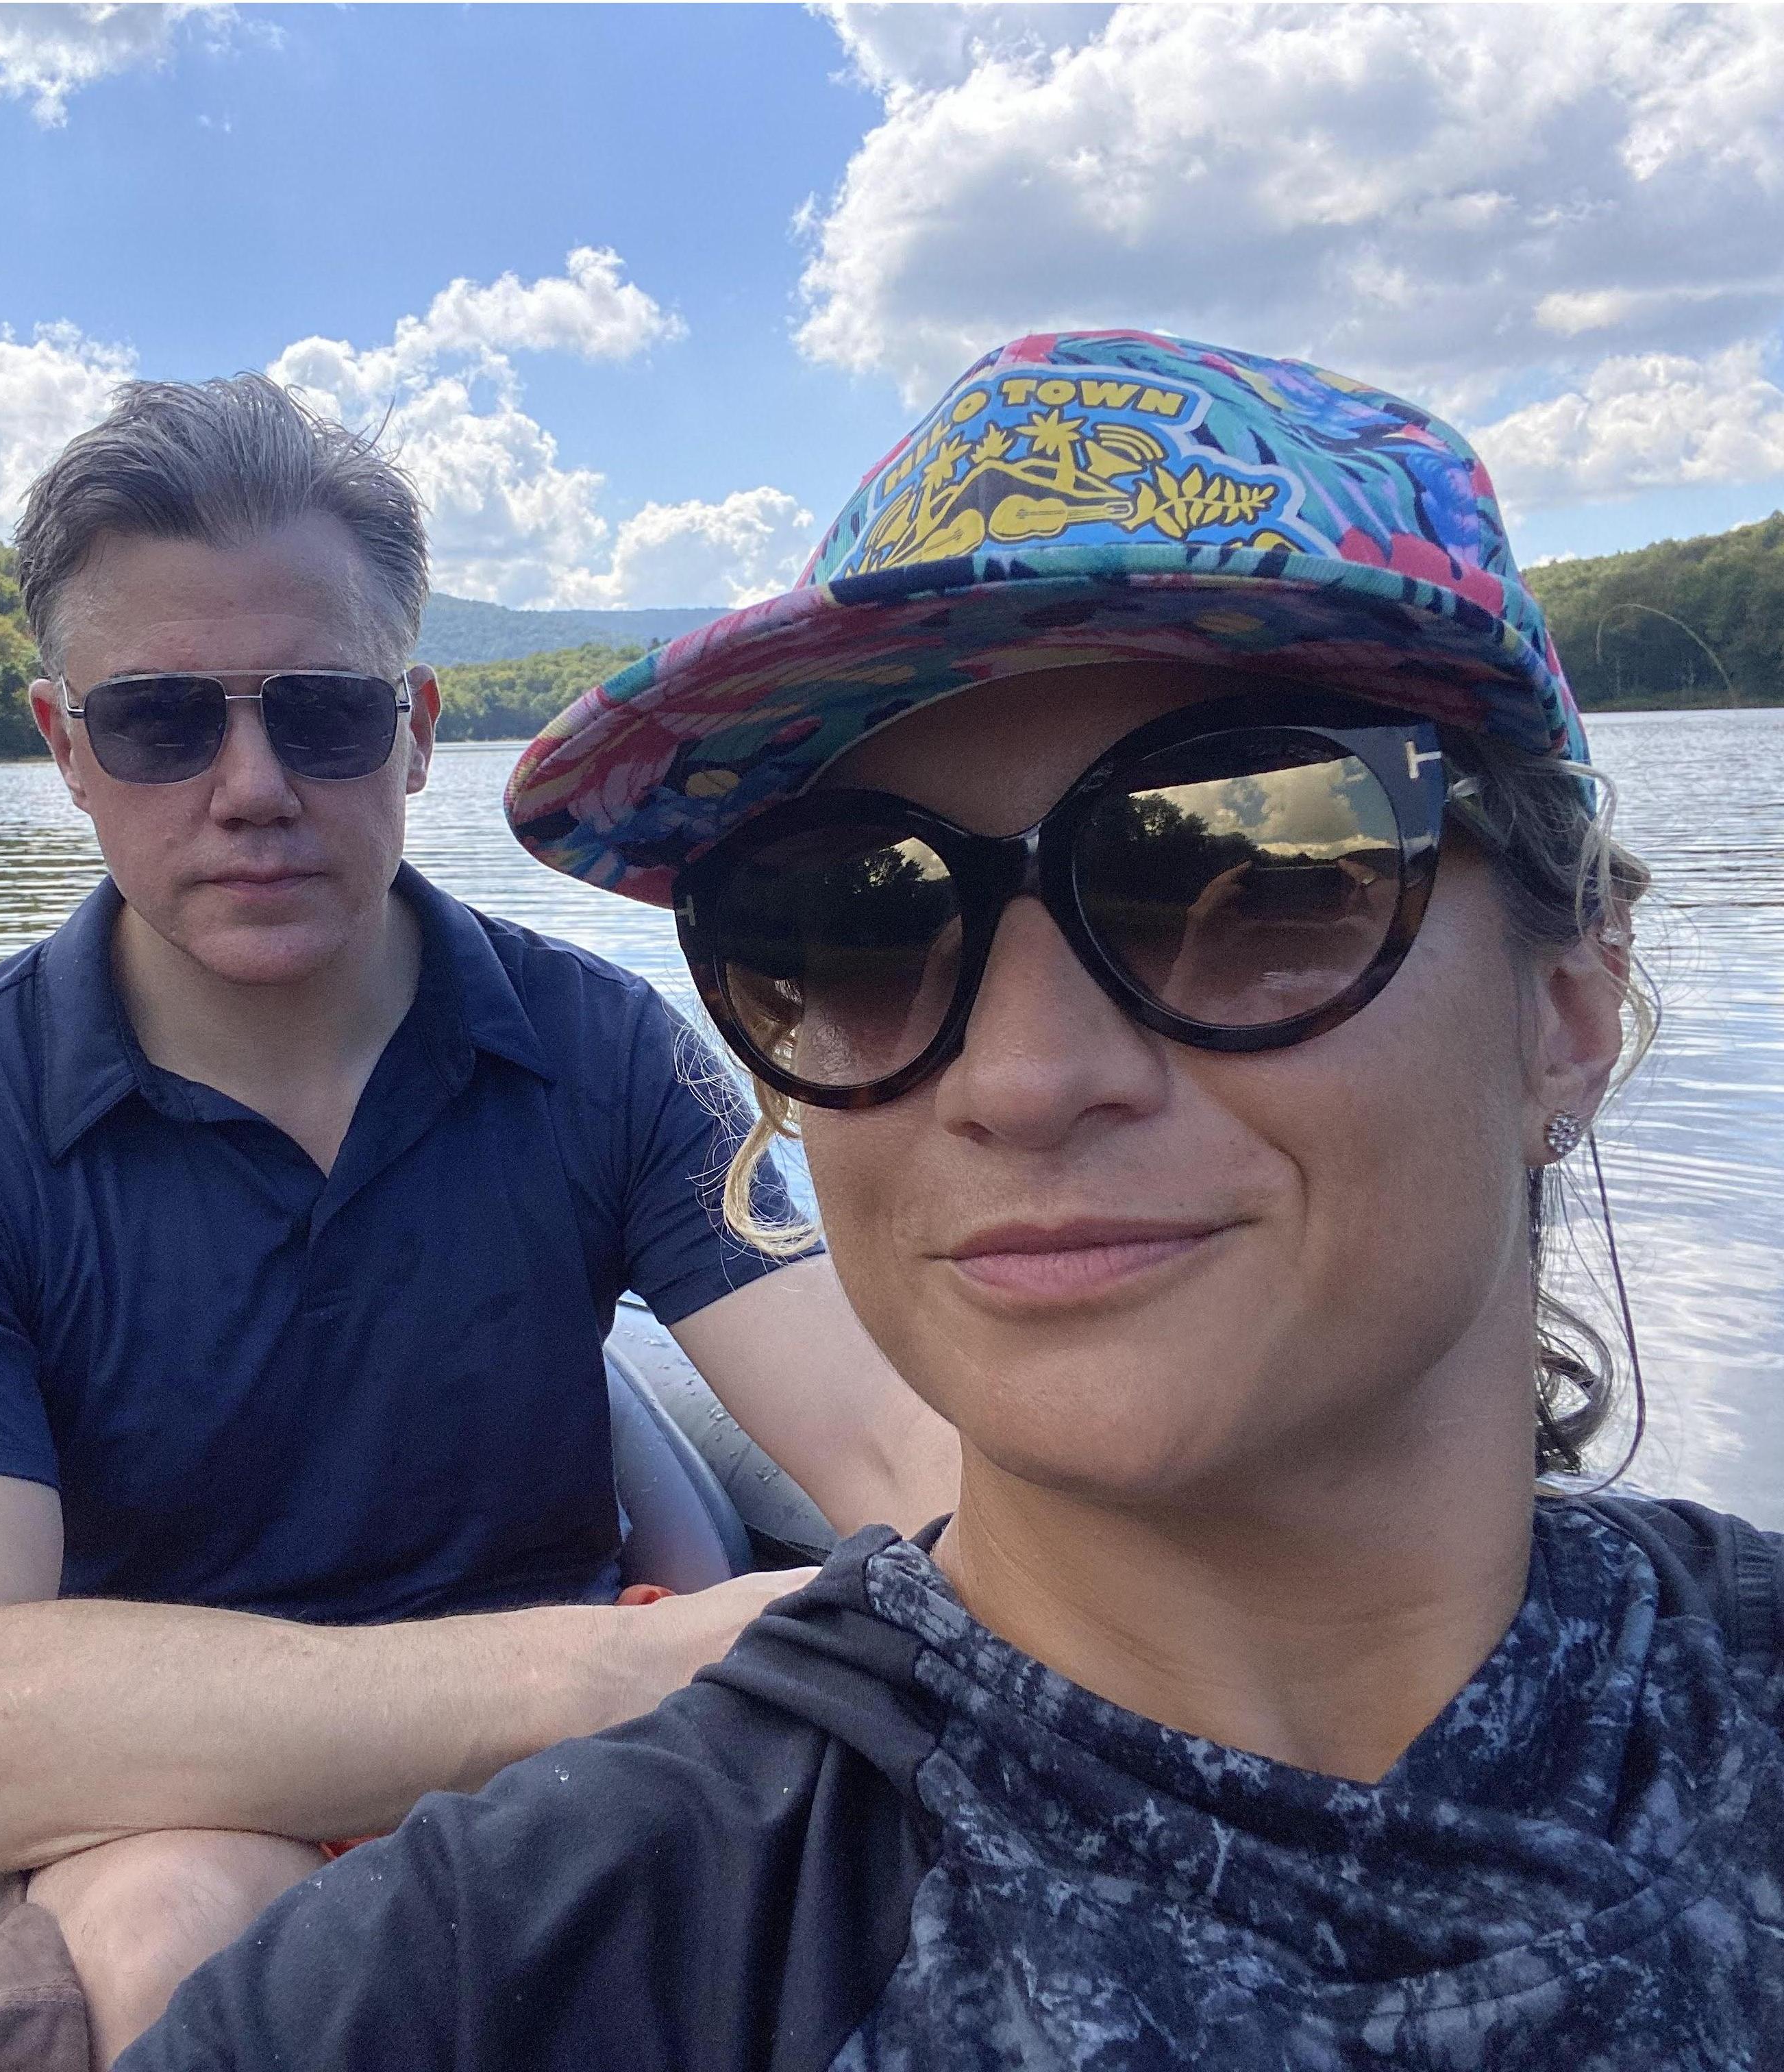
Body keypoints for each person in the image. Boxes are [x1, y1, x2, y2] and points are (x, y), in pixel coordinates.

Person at [123, 333, 1784, 2069]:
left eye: (1253, 874)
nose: (1022, 1074)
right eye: (856, 917)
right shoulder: (495, 1981)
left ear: (1566, 1009)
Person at [0, 375, 958, 2065]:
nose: (252, 786)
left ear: (412, 730)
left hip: (568, 1774)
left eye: (322, 716)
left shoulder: (606, 1052)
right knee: (181, 1921)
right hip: (138, 1800)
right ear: (65, 748)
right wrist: (622, 1674)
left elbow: (897, 1442)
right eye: (162, 723)